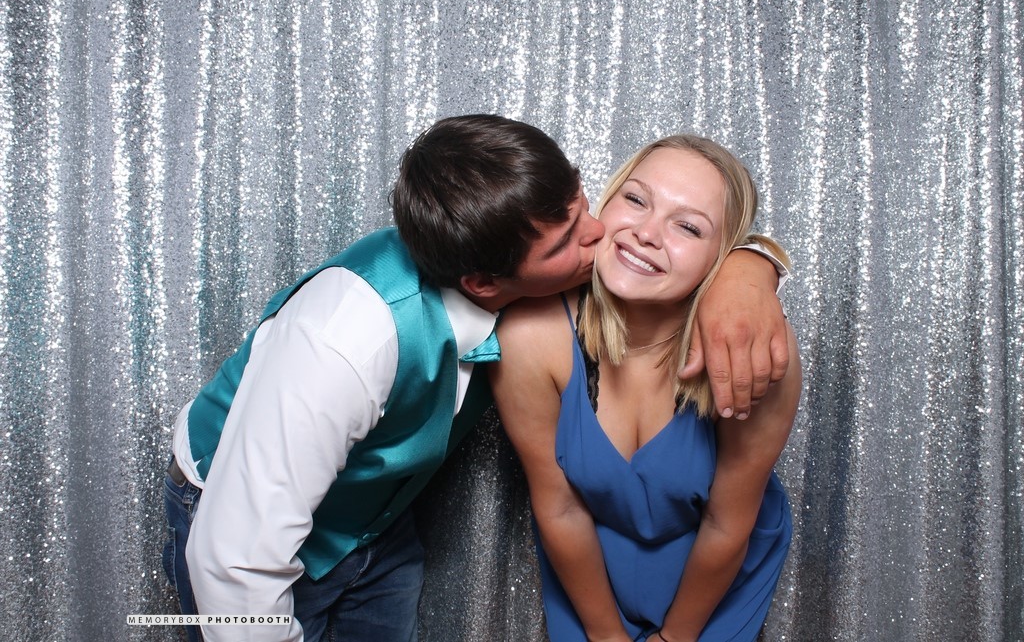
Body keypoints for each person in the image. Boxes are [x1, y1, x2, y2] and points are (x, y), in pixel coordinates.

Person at [162, 115, 791, 642]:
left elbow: (697, 231)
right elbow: (235, 560)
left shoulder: (509, 235)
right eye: (567, 242)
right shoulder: (346, 340)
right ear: (485, 285)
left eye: (582, 206)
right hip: (242, 526)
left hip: (378, 520)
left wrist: (752, 264)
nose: (602, 233)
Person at [490, 134, 802, 642]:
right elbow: (560, 508)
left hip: (717, 573)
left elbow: (727, 525)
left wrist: (674, 638)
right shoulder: (530, 336)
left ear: (722, 257)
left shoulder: (756, 352)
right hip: (586, 567)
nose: (646, 233)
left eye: (688, 226)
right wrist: (605, 635)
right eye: (636, 199)